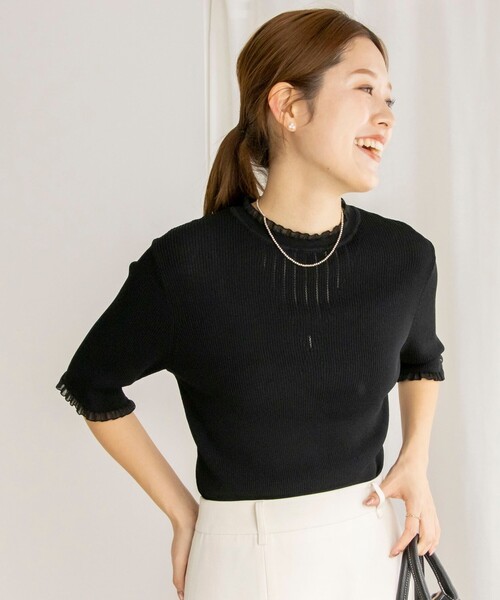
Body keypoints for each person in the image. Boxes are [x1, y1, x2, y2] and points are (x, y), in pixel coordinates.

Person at [55, 8, 446, 600]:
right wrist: (182, 514)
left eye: (390, 98)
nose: (387, 116)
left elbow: (421, 359)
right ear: (288, 106)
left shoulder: (405, 258)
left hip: (373, 548)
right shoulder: (189, 263)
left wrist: (414, 461)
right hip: (241, 563)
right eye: (365, 89)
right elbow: (91, 383)